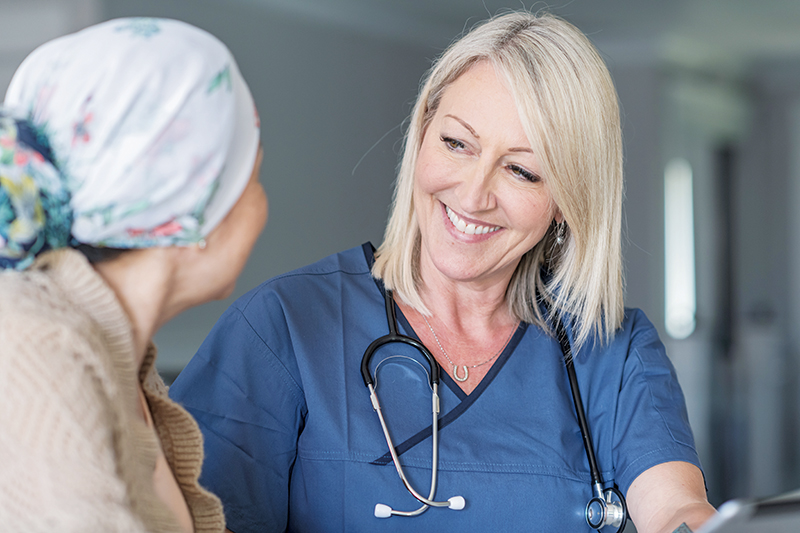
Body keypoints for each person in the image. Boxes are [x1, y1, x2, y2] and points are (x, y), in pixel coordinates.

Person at [169, 11, 715, 533]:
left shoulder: (611, 353)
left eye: (522, 170)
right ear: (421, 137)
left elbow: (676, 508)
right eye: (457, 144)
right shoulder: (283, 328)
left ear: (566, 202)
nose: (474, 195)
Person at [0, 18, 266, 533]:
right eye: (254, 178)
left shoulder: (117, 360)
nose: (263, 204)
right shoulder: (33, 353)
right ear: (193, 213)